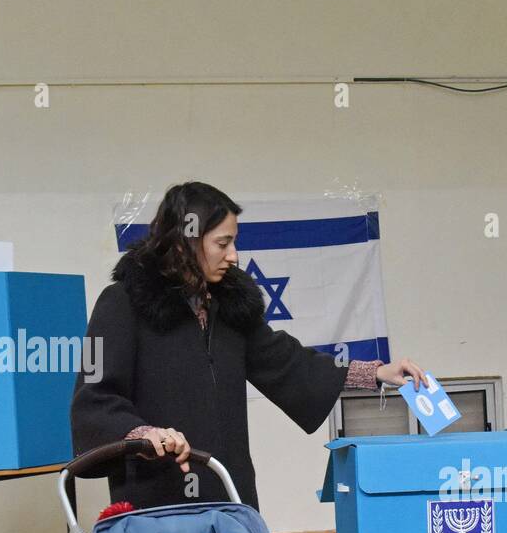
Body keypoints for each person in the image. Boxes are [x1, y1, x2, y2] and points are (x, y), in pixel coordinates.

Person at [71, 181, 426, 510]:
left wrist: (376, 372)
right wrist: (145, 435)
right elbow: (95, 399)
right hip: (155, 502)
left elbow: (287, 362)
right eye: (222, 244)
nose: (234, 256)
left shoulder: (228, 308)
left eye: (234, 242)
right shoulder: (120, 304)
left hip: (230, 492)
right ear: (184, 241)